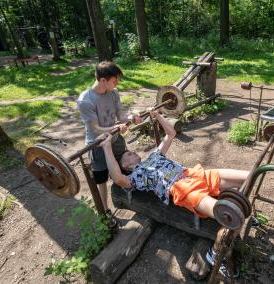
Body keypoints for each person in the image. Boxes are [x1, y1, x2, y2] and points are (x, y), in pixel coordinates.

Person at [99, 109, 249, 278]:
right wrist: (106, 148)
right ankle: (214, 254)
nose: (132, 151)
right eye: (128, 154)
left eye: (131, 151)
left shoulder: (154, 156)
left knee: (250, 177)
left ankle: (240, 203)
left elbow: (171, 133)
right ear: (125, 166)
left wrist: (157, 116)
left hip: (194, 174)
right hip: (183, 188)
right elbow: (118, 179)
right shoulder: (137, 176)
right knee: (233, 216)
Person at [77, 61, 141, 209]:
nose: (117, 84)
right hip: (97, 144)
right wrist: (116, 127)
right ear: (103, 80)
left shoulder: (113, 92)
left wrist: (131, 117)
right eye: (114, 81)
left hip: (116, 140)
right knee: (101, 181)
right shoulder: (85, 100)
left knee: (124, 169)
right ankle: (105, 211)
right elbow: (95, 128)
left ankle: (131, 199)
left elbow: (121, 115)